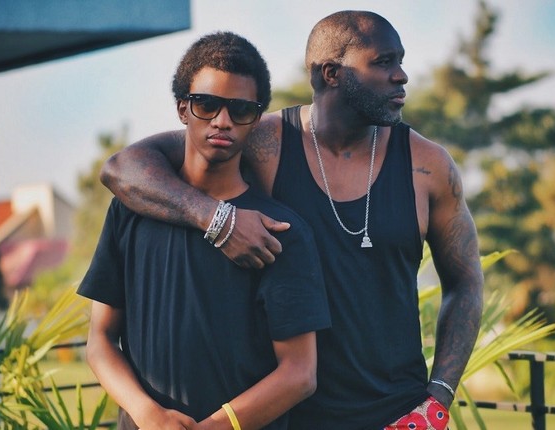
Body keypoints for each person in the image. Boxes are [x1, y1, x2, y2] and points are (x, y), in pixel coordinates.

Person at [101, 11, 484, 430]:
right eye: (383, 62)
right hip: (290, 415)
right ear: (331, 73)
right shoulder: (262, 138)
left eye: (400, 61)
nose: (402, 76)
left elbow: (465, 283)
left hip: (398, 415)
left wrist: (439, 396)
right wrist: (218, 219)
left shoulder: (427, 166)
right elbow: (124, 168)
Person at [80, 31, 331, 430]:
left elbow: (300, 374)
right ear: (182, 109)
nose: (222, 121)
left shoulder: (280, 230)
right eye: (207, 104)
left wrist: (218, 425)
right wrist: (148, 415)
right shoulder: (131, 210)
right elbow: (100, 341)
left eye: (241, 109)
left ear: (257, 119)